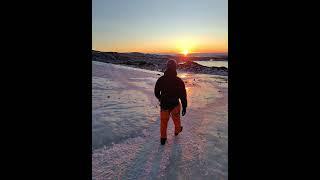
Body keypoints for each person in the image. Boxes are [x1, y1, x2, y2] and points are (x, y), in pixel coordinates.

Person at [154, 60, 187, 145]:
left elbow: (156, 92)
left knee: (163, 122)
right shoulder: (179, 81)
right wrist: (184, 106)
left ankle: (163, 138)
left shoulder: (161, 79)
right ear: (175, 68)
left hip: (164, 105)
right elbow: (183, 95)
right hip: (175, 104)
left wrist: (160, 99)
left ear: (167, 67)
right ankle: (177, 131)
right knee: (176, 120)